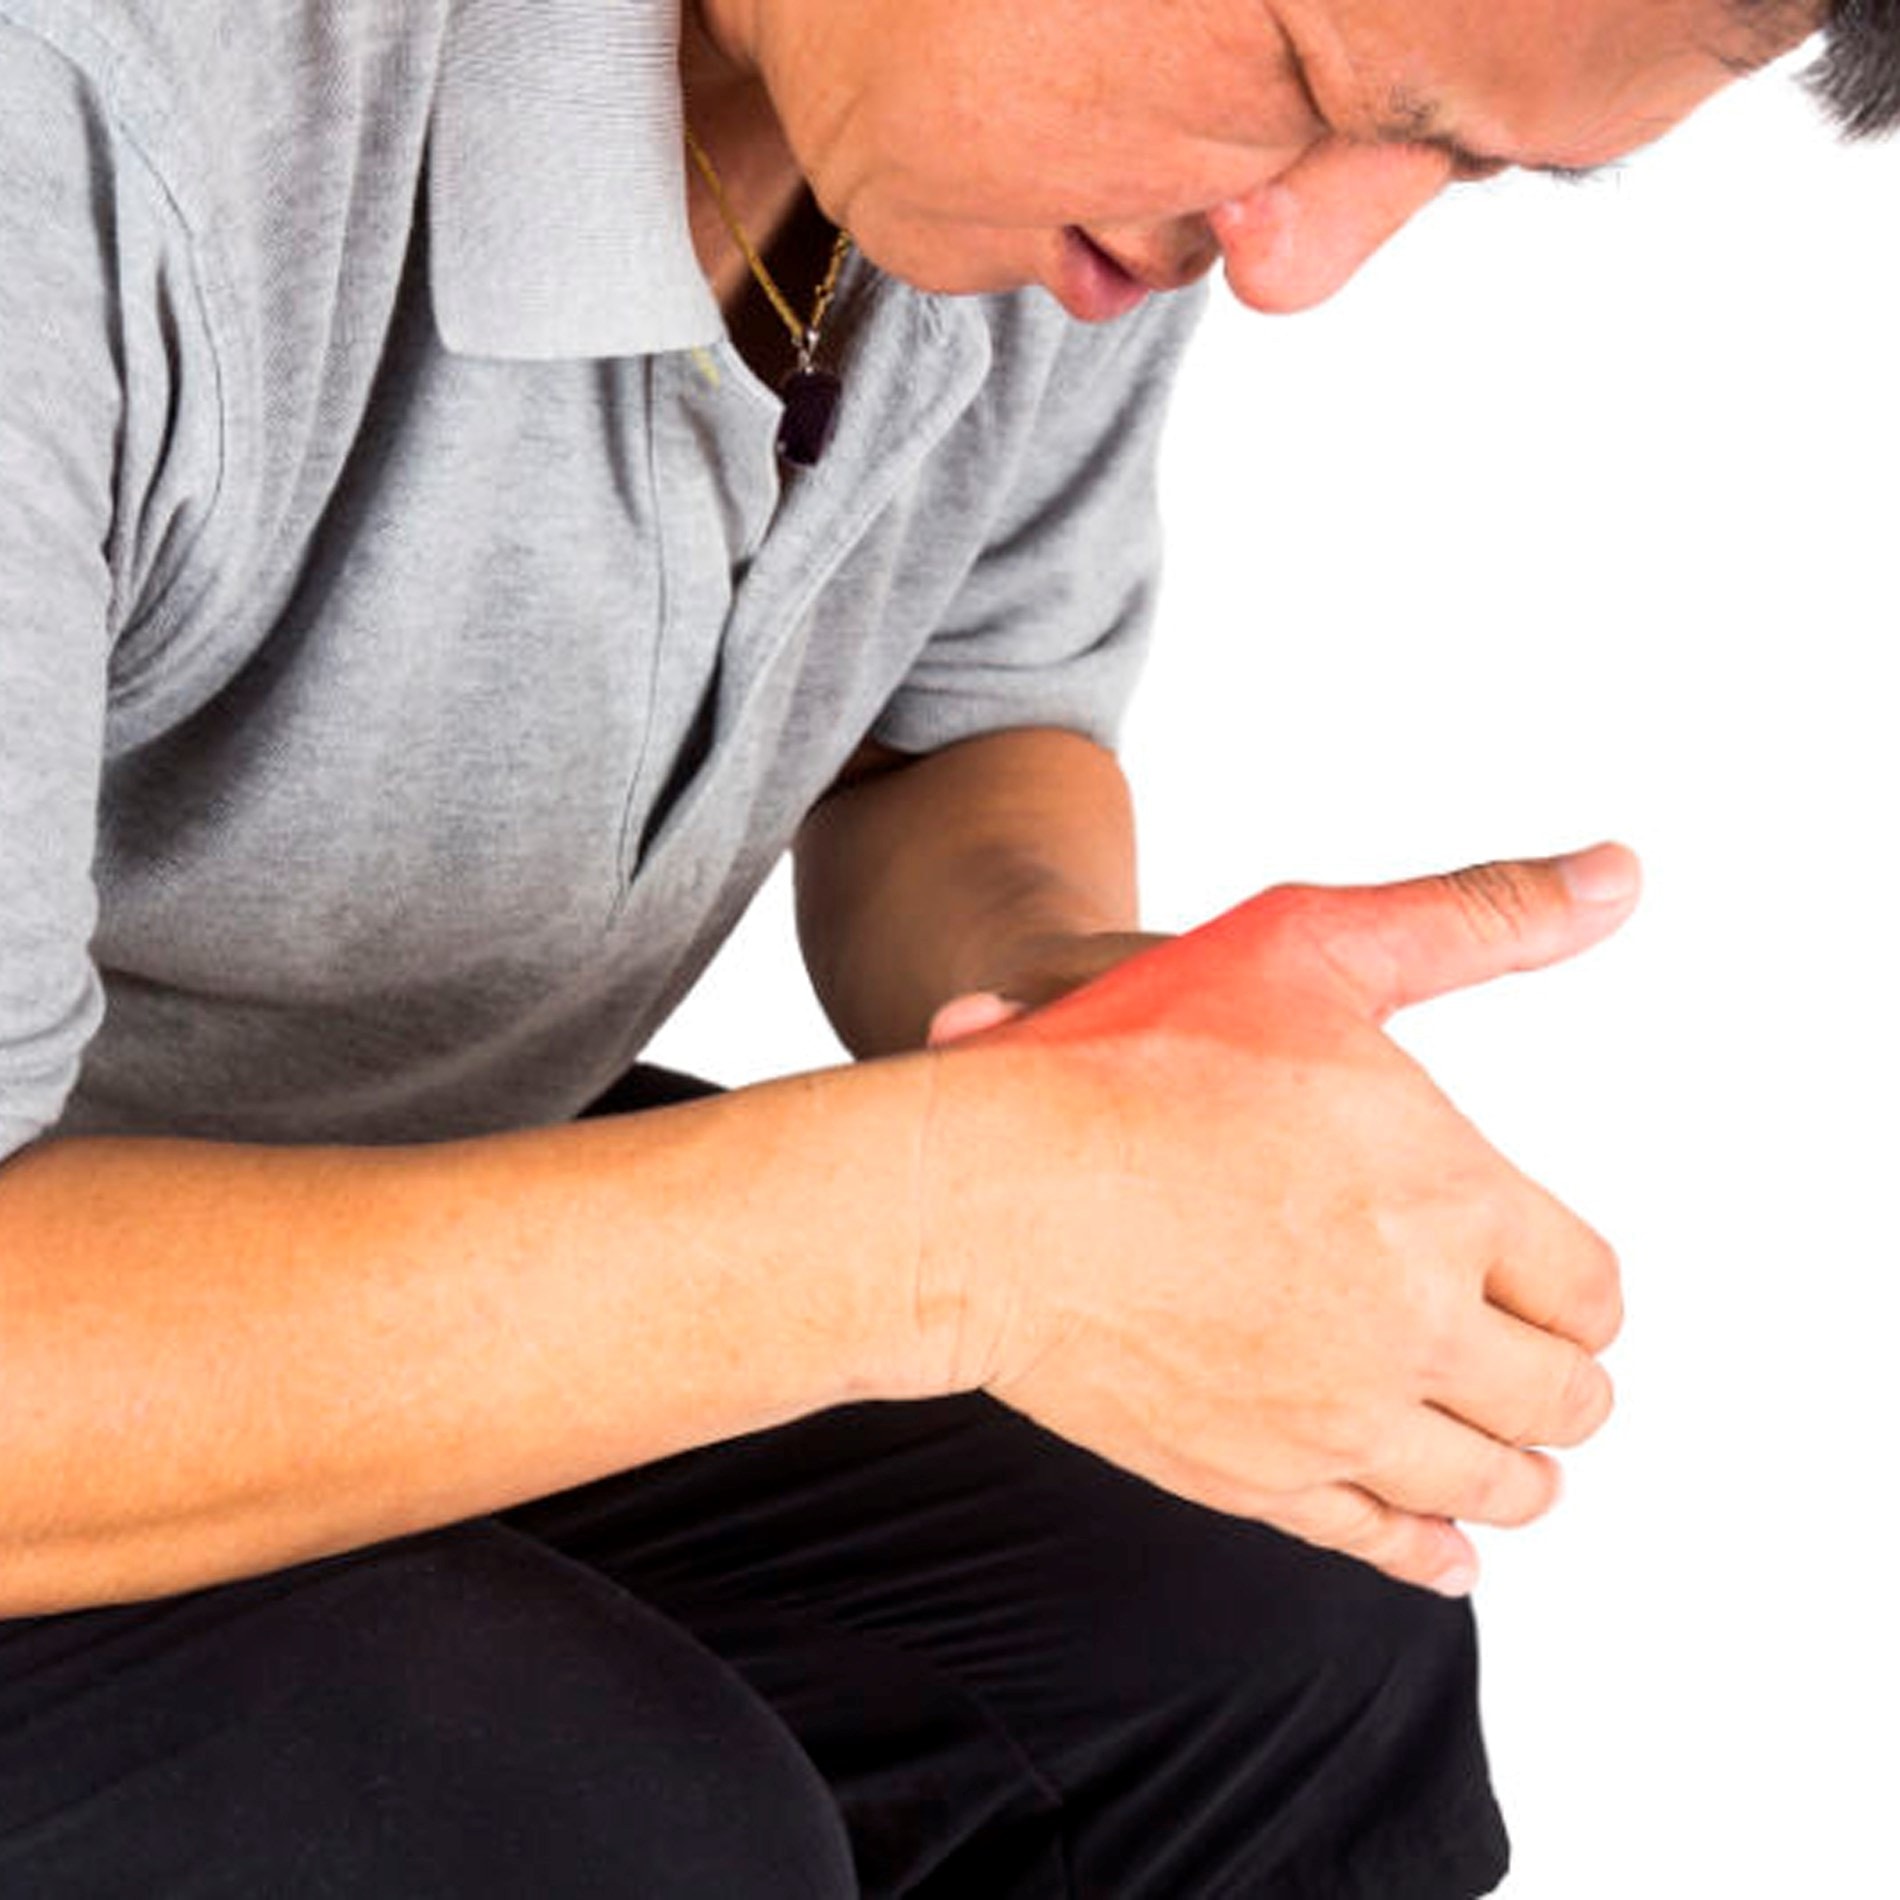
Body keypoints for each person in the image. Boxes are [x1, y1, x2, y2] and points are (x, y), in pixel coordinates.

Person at [1, 0, 1884, 1893]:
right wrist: (936, 1231)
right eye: (1314, 92)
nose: (1297, 261)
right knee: (589, 1834)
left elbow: (948, 734)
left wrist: (1091, 1037)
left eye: (1462, 164)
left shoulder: (981, 153)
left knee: (1272, 1638)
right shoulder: (83, 99)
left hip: (363, 1193)